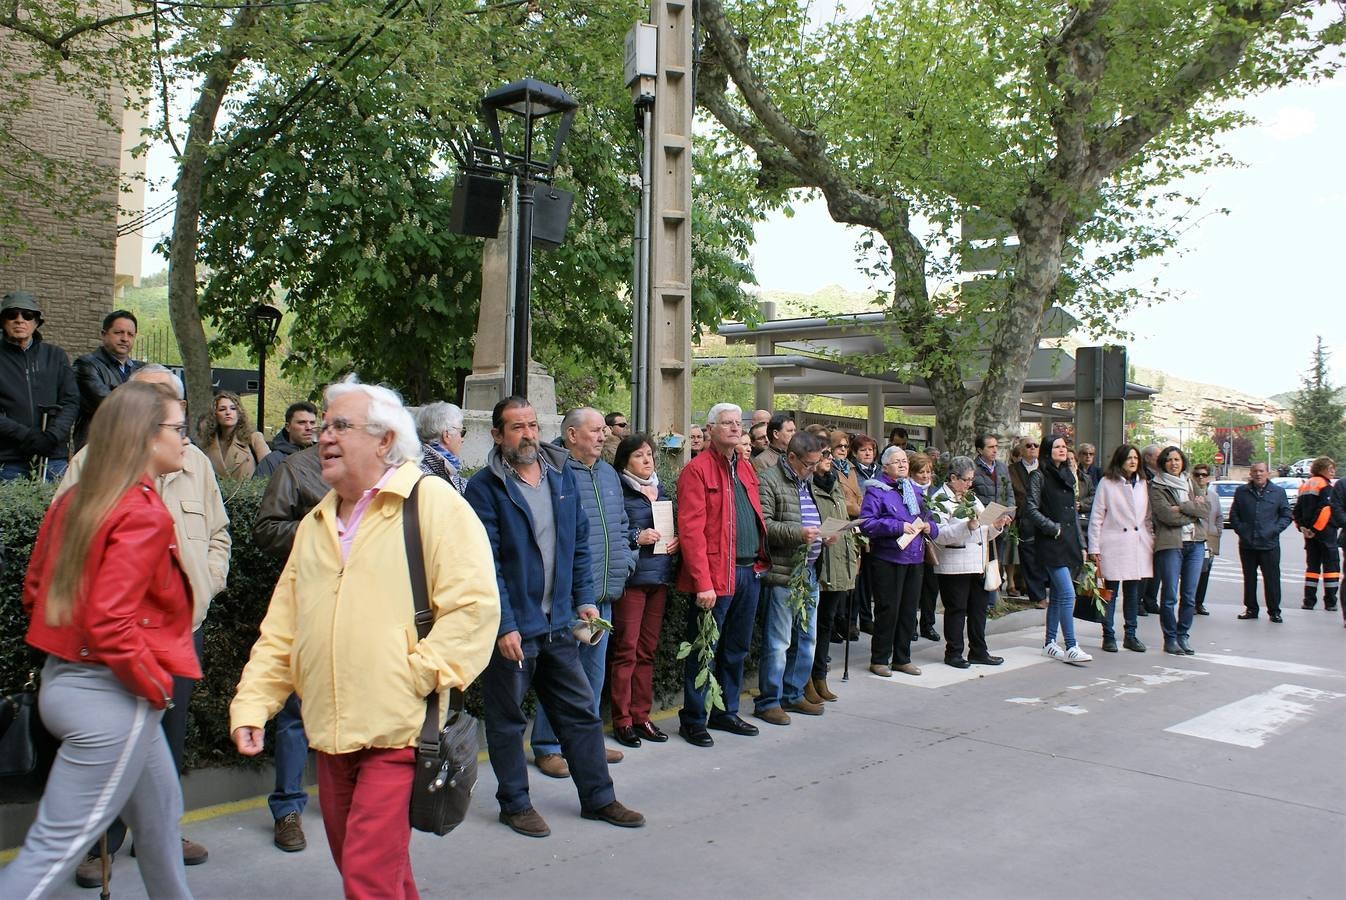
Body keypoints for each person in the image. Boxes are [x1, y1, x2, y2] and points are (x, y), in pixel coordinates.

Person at [231, 381, 501, 897]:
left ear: (384, 441)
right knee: (374, 872)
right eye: (324, 425)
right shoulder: (316, 523)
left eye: (340, 425)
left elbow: (474, 609)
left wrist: (416, 675)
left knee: (366, 878)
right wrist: (252, 705)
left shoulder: (432, 503)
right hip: (332, 735)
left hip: (398, 733)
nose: (324, 435)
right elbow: (282, 629)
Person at [0, 381, 198, 899]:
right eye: (178, 429)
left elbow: (35, 593)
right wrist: (153, 684)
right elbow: (111, 622)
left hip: (66, 683)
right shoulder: (142, 511)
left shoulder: (76, 502)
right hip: (112, 698)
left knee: (159, 825)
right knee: (51, 851)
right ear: (145, 437)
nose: (185, 440)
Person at [60, 365, 231, 883]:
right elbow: (65, 547)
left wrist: (205, 587)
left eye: (171, 402)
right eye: (152, 398)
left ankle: (160, 832)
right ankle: (101, 844)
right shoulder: (92, 464)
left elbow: (219, 535)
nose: (167, 414)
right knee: (111, 741)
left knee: (168, 737)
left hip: (181, 630)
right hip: (115, 638)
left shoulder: (195, 463)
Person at [465, 397, 645, 838]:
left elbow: (578, 544)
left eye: (531, 425)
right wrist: (504, 623)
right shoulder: (485, 488)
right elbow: (484, 564)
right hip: (516, 630)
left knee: (581, 713)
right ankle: (515, 804)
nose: (527, 434)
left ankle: (599, 798)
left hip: (559, 623)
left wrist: (583, 598)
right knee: (508, 721)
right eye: (516, 428)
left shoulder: (559, 476)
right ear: (497, 435)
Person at [530, 407, 633, 777]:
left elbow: (620, 522)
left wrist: (626, 559)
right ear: (571, 435)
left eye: (604, 430)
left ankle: (585, 743)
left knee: (593, 673)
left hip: (604, 590)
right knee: (561, 672)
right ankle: (547, 745)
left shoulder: (607, 472)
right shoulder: (554, 473)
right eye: (594, 431)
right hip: (570, 594)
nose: (603, 436)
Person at [674, 402, 769, 748]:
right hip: (717, 576)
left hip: (749, 571)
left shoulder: (744, 468)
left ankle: (725, 711)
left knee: (736, 648)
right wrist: (702, 582)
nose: (733, 427)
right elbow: (691, 531)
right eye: (725, 423)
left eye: (736, 423)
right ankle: (694, 718)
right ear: (710, 428)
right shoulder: (697, 471)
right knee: (704, 649)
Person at [252, 439, 328, 853]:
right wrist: (322, 530)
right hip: (310, 604)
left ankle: (355, 802)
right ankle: (287, 808)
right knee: (296, 711)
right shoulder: (296, 468)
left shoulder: (381, 468)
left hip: (368, 611)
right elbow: (266, 529)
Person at [755, 431, 831, 723]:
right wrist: (799, 534)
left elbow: (809, 517)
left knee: (806, 637)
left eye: (815, 464)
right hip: (783, 572)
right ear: (791, 458)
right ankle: (769, 700)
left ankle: (793, 693)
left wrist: (824, 535)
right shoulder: (770, 480)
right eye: (808, 464)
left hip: (808, 571)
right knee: (779, 641)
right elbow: (766, 525)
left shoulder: (805, 480)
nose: (813, 470)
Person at [610, 433, 678, 747]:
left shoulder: (660, 489)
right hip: (633, 580)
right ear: (625, 461)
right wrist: (638, 536)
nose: (647, 459)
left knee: (647, 651)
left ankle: (642, 715)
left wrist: (674, 541)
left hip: (659, 577)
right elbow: (613, 533)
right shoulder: (618, 490)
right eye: (639, 455)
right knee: (626, 650)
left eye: (649, 453)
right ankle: (622, 719)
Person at [860, 446, 938, 677]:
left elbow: (930, 520)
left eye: (904, 461)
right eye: (897, 462)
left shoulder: (913, 490)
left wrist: (928, 527)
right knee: (888, 609)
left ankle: (902, 658)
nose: (903, 465)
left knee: (908, 610)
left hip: (914, 556)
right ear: (885, 467)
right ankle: (880, 658)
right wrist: (897, 526)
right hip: (888, 557)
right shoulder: (877, 491)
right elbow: (866, 523)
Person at [930, 456, 1012, 668]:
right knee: (956, 609)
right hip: (954, 563)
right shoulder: (940, 499)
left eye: (971, 480)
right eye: (965, 480)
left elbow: (984, 531)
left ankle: (979, 650)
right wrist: (966, 526)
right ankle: (954, 652)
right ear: (953, 478)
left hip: (978, 562)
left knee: (978, 609)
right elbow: (939, 535)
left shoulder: (971, 498)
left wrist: (997, 525)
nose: (969, 484)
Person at [1023, 435, 1093, 663]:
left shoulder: (1068, 474)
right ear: (1047, 450)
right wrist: (1053, 528)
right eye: (1057, 447)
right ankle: (1071, 645)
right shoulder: (1038, 475)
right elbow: (1031, 509)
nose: (1062, 450)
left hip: (1069, 541)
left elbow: (1072, 511)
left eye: (1064, 446)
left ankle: (1050, 642)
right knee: (1067, 593)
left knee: (1057, 594)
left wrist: (1081, 543)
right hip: (1051, 541)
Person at [0, 289, 79, 481]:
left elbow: (71, 402)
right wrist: (26, 435)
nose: (20, 320)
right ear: (3, 322)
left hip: (52, 457)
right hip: (8, 459)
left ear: (36, 322)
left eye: (27, 315)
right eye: (12, 315)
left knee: (56, 511)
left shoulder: (56, 356)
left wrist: (52, 436)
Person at [1087, 444, 1152, 653]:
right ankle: (1109, 634)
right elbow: (1097, 516)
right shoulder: (1107, 483)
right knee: (1110, 592)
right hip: (1113, 542)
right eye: (1128, 458)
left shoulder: (1143, 483)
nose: (1133, 461)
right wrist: (1094, 547)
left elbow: (1148, 517)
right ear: (1120, 460)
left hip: (1137, 543)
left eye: (1135, 458)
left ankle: (1130, 635)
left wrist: (1150, 539)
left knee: (1133, 593)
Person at [809, 442, 857, 701]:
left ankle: (820, 676)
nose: (829, 459)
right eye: (824, 454)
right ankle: (807, 679)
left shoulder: (834, 482)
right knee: (811, 626)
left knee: (826, 622)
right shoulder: (807, 485)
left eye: (830, 454)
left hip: (838, 557)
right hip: (818, 559)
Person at [1148, 446, 1208, 655]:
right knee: (1170, 594)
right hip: (1171, 544)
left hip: (1196, 543)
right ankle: (1170, 638)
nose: (1174, 463)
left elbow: (1205, 509)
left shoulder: (1191, 482)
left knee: (1190, 596)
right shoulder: (1157, 485)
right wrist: (1191, 509)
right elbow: (1165, 516)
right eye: (1169, 460)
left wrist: (1181, 507)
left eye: (1177, 459)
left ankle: (1183, 636)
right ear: (1163, 463)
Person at [1229, 461, 1292, 623]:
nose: (1258, 474)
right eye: (1255, 471)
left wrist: (1274, 530)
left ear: (1268, 473)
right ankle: (1251, 609)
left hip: (1269, 544)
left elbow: (1286, 515)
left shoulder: (1278, 492)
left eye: (1261, 471)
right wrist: (1242, 530)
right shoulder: (1242, 492)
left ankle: (1274, 611)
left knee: (1272, 579)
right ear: (1251, 473)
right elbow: (1234, 515)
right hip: (1247, 544)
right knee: (1249, 578)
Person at [72, 309, 143, 450]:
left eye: (130, 334)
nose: (125, 338)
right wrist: (140, 397)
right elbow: (108, 404)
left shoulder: (142, 370)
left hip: (133, 449)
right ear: (104, 335)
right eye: (119, 333)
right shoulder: (85, 365)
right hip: (97, 449)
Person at [1294, 457, 1339, 611]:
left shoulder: (1304, 486)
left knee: (1312, 568)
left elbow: (1297, 510)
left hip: (1308, 535)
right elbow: (1326, 510)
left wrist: (1302, 527)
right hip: (1324, 533)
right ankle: (1330, 601)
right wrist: (1315, 528)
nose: (1333, 471)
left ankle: (1308, 601)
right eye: (1330, 468)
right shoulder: (1325, 485)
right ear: (1321, 469)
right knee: (1331, 568)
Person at [1010, 436, 1048, 609]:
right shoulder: (1012, 470)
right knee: (1029, 558)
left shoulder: (1045, 469)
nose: (1032, 448)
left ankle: (1047, 590)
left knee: (1045, 557)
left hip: (1045, 518)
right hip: (1024, 519)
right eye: (1028, 445)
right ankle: (1038, 596)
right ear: (1021, 449)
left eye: (1035, 445)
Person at [199, 390, 270, 480]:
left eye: (233, 408)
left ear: (239, 413)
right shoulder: (207, 445)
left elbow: (269, 473)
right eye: (222, 409)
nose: (228, 412)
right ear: (215, 414)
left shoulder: (254, 438)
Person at [909, 452, 942, 642]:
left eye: (928, 472)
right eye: (921, 472)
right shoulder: (907, 490)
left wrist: (932, 526)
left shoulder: (934, 491)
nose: (925, 476)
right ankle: (911, 624)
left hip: (930, 543)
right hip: (912, 543)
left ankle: (928, 624)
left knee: (931, 587)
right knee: (914, 588)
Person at [1191, 463, 1224, 616]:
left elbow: (1219, 517)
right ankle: (1189, 603)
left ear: (1208, 477)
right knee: (1192, 573)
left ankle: (1199, 603)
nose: (1200, 478)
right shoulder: (1189, 494)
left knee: (1205, 573)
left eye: (1204, 475)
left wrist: (1217, 532)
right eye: (1197, 474)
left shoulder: (1214, 496)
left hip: (1209, 539)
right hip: (1193, 538)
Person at [254, 401, 318, 479]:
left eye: (312, 423)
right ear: (288, 427)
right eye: (302, 422)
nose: (309, 427)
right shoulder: (272, 461)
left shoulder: (324, 457)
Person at [414, 401, 467, 494]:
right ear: (447, 436)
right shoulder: (425, 479)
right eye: (462, 432)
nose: (462, 440)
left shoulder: (447, 470)